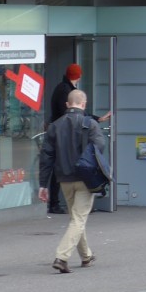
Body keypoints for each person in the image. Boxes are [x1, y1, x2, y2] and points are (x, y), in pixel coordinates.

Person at [39, 89, 104, 273]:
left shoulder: (55, 126)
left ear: (67, 104)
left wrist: (43, 184)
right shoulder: (90, 124)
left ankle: (86, 256)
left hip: (64, 179)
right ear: (84, 104)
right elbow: (100, 146)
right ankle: (62, 257)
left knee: (76, 218)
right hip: (85, 178)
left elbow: (46, 157)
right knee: (79, 218)